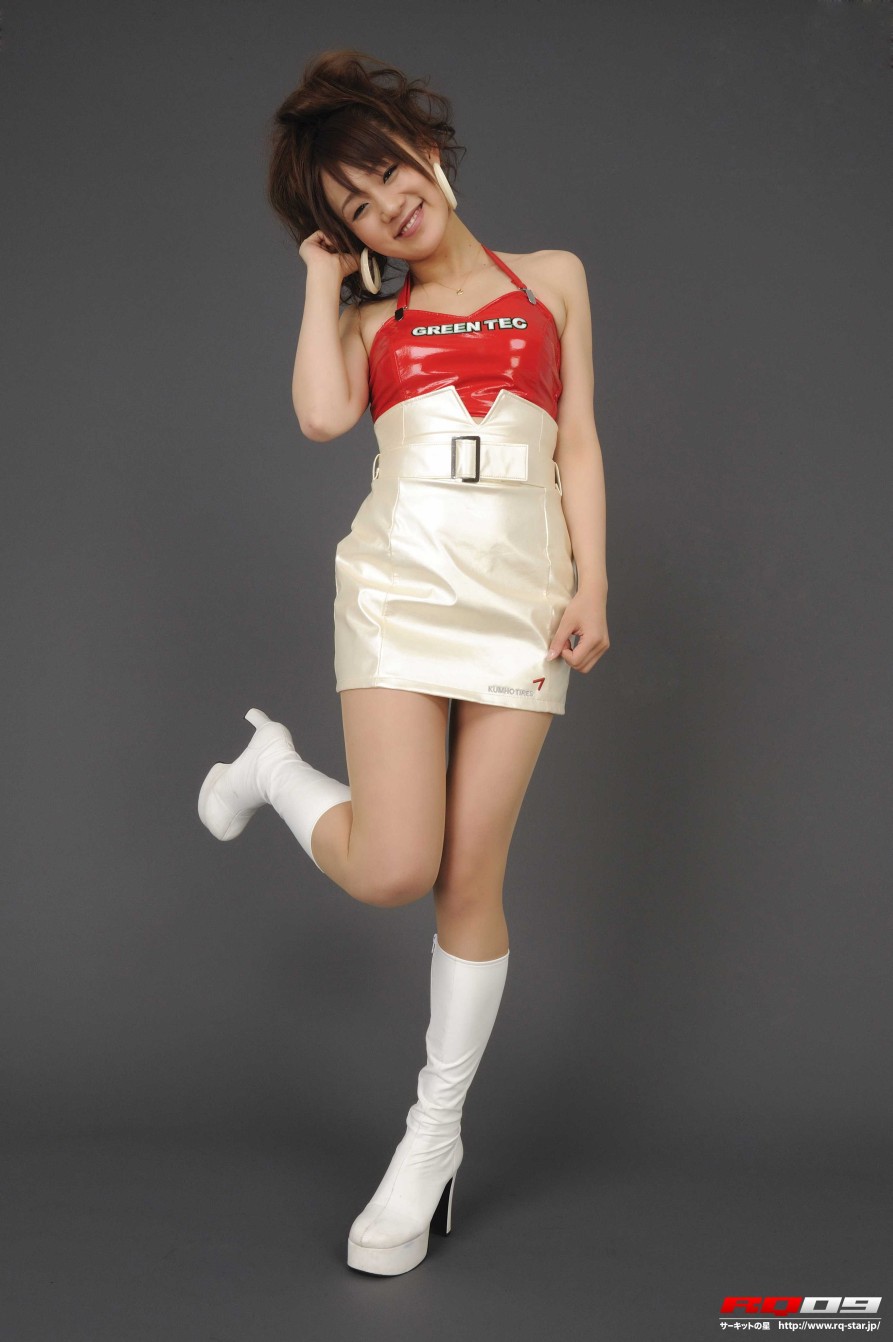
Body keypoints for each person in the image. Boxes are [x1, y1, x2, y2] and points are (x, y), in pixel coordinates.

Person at [198, 48, 609, 1276]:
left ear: (425, 148)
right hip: (397, 592)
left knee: (468, 878)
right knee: (392, 866)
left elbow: (576, 439)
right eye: (355, 208)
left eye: (387, 172)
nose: (388, 206)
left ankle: (431, 1140)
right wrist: (319, 282)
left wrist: (593, 582)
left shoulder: (551, 279)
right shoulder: (371, 321)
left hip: (522, 602)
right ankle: (273, 772)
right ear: (346, 235)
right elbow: (321, 416)